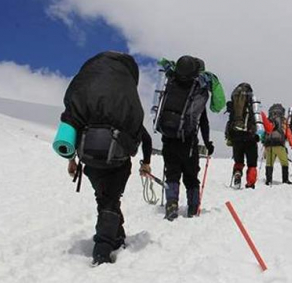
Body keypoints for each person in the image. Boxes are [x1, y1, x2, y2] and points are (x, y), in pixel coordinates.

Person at [60, 51, 152, 266]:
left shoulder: (85, 88)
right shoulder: (126, 95)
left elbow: (71, 123)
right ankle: (102, 249)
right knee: (110, 200)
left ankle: (117, 237)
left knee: (104, 197)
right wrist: (146, 161)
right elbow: (143, 136)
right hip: (117, 158)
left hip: (88, 157)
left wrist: (71, 159)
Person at [154, 55, 225, 220]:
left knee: (172, 172)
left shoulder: (172, 80)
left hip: (168, 136)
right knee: (191, 175)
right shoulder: (197, 92)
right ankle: (193, 208)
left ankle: (171, 204)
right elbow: (204, 122)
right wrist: (208, 143)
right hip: (188, 140)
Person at [225, 82, 263, 189]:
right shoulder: (252, 101)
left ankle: (237, 172)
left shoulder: (235, 99)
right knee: (252, 163)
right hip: (250, 136)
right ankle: (250, 184)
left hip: (236, 134)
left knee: (239, 160)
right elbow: (258, 118)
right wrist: (260, 134)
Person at [261, 103, 292, 185]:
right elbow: (289, 134)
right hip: (279, 145)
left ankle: (268, 180)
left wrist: (264, 143)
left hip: (269, 145)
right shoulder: (283, 121)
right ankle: (285, 180)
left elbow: (264, 134)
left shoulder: (269, 119)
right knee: (284, 162)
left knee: (269, 163)